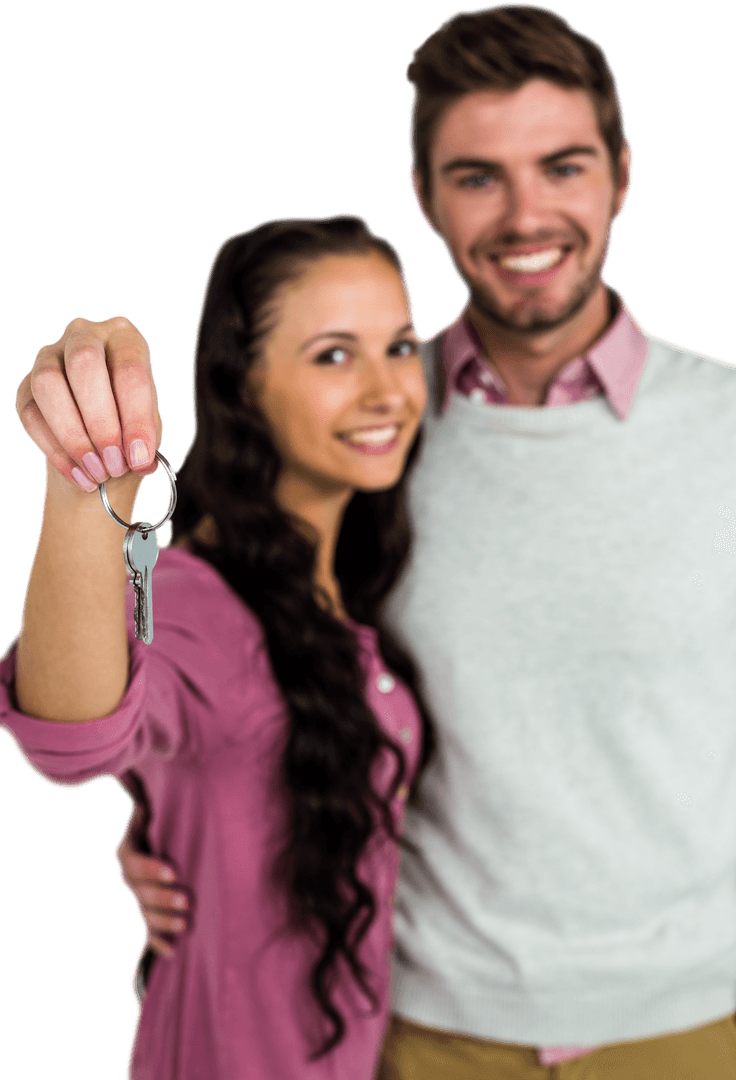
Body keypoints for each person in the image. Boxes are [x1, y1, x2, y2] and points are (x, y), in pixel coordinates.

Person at [115, 5, 736, 1078]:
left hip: (690, 1026)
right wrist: (173, 833)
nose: (525, 213)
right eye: (477, 176)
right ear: (424, 196)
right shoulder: (361, 433)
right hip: (415, 1032)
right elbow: (243, 658)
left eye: (563, 165)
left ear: (623, 173)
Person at [0, 214, 436, 1079]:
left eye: (400, 347)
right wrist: (91, 481)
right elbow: (72, 732)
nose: (388, 389)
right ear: (247, 385)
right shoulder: (204, 604)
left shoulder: (356, 592)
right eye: (334, 355)